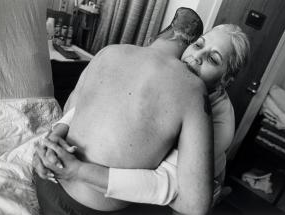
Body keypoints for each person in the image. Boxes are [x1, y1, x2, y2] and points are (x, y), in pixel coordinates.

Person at [34, 22, 250, 214]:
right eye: (198, 45)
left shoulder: (219, 122)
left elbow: (168, 186)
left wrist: (80, 171)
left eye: (213, 58)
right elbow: (108, 105)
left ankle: (220, 191)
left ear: (226, 80)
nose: (198, 56)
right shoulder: (174, 76)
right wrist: (56, 133)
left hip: (184, 181)